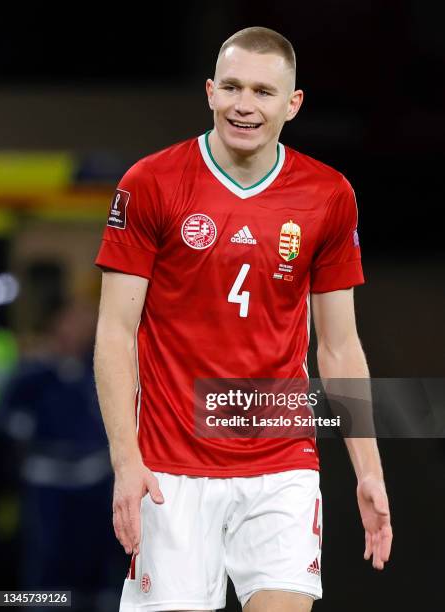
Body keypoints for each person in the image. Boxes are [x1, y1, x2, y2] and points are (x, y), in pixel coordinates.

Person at [94, 26, 392, 612]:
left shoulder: (328, 195)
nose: (244, 105)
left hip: (281, 460)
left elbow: (338, 348)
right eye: (231, 87)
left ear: (292, 103)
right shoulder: (151, 182)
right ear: (209, 92)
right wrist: (125, 462)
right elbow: (114, 332)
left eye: (262, 91)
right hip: (171, 466)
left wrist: (369, 470)